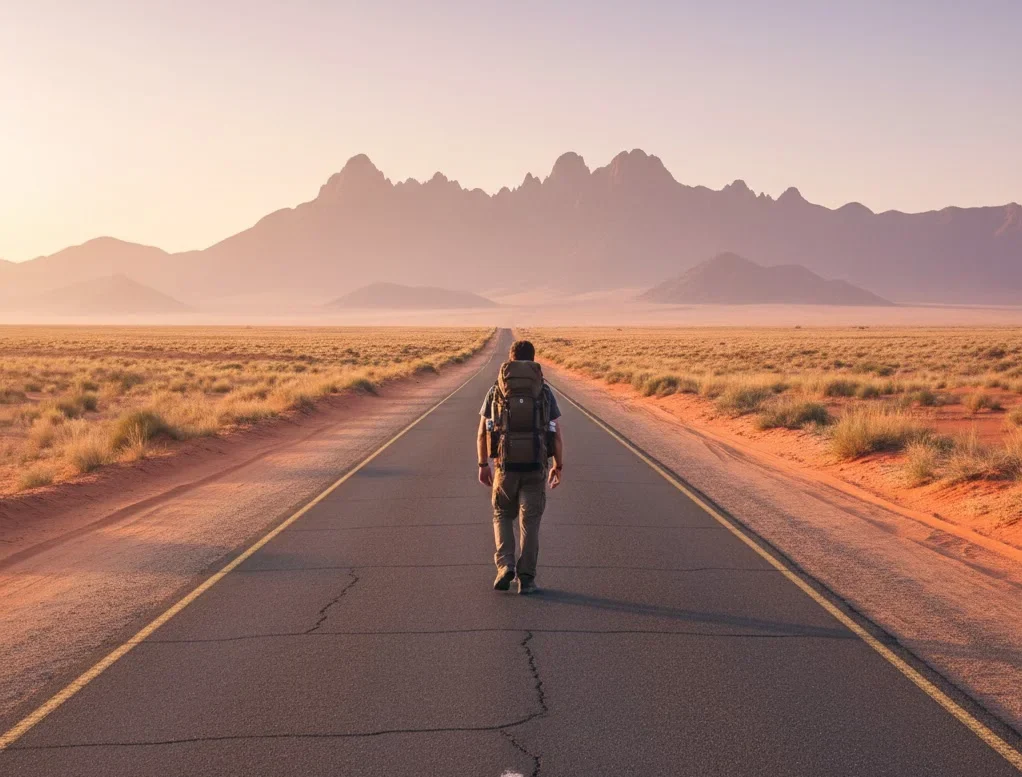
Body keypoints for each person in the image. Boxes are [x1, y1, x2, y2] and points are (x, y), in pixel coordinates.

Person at [477, 339, 563, 595]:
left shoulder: (497, 390)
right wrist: (558, 466)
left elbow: (482, 432)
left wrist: (483, 464)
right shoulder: (544, 391)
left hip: (505, 466)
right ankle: (526, 579)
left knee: (502, 514)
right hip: (536, 466)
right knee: (530, 522)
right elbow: (556, 433)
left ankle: (505, 566)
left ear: (510, 359)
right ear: (534, 360)